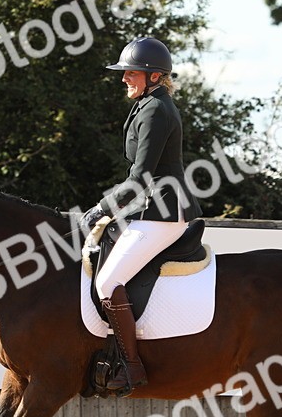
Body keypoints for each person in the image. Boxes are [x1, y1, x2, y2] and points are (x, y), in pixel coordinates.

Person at [83, 37, 201, 395]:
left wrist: (102, 208)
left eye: (130, 73)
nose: (124, 80)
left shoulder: (156, 110)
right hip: (149, 207)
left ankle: (132, 368)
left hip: (163, 210)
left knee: (106, 284)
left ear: (152, 76)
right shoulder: (149, 103)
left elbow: (141, 177)